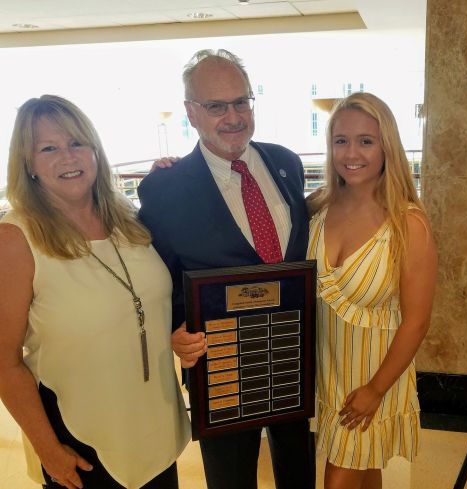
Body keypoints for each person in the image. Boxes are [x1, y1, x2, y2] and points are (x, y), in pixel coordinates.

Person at [137, 49, 315, 489]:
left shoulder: (286, 163)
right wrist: (175, 328)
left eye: (241, 101)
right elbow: (158, 277)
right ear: (190, 113)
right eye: (216, 106)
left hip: (293, 350)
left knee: (300, 467)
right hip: (221, 362)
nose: (233, 117)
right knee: (232, 477)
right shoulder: (165, 188)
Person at [0, 95, 191, 489]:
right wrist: (47, 448)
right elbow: (3, 361)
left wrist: (175, 180)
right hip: (79, 442)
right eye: (48, 148)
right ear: (27, 164)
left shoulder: (130, 223)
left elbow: (151, 307)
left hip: (156, 433)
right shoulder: (16, 238)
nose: (67, 157)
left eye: (76, 143)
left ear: (95, 151)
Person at [306, 92, 437, 489]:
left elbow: (416, 321)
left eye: (366, 141)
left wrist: (376, 389)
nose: (352, 153)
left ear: (387, 147)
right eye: (341, 140)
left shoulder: (408, 223)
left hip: (376, 374)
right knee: (365, 467)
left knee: (338, 477)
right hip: (329, 371)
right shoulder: (318, 206)